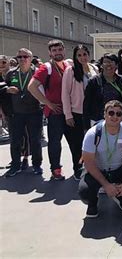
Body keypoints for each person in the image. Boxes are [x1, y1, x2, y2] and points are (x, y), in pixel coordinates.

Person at [78, 100, 122, 218]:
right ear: (104, 114)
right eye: (111, 113)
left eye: (118, 114)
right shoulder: (93, 134)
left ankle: (121, 195)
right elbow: (89, 163)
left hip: (119, 169)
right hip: (98, 170)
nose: (114, 116)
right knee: (84, 191)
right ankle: (93, 202)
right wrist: (106, 185)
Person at [28, 39, 75, 180]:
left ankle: (78, 168)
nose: (57, 52)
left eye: (59, 49)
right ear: (50, 53)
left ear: (64, 50)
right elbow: (31, 87)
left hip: (70, 111)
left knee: (75, 141)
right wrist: (48, 103)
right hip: (55, 113)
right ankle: (56, 170)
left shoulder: (68, 65)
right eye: (54, 50)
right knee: (55, 143)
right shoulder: (46, 68)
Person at [3, 48, 43, 177]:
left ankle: (36, 165)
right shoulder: (11, 73)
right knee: (15, 140)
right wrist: (8, 89)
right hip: (16, 113)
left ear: (31, 59)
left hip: (34, 112)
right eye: (19, 57)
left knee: (35, 140)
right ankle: (15, 165)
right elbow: (3, 89)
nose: (22, 59)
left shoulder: (37, 73)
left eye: (25, 57)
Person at [61, 45, 98, 179]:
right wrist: (68, 114)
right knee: (77, 143)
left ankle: (92, 168)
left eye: (85, 54)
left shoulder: (94, 69)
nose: (82, 57)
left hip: (92, 113)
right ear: (75, 57)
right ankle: (78, 167)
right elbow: (65, 94)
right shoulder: (70, 71)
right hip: (76, 112)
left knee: (92, 143)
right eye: (79, 55)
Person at [83, 53, 122, 129]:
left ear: (116, 65)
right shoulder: (93, 81)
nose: (108, 65)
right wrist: (86, 127)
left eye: (111, 62)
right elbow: (87, 105)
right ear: (101, 65)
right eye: (106, 62)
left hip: (116, 120)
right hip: (97, 121)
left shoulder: (120, 80)